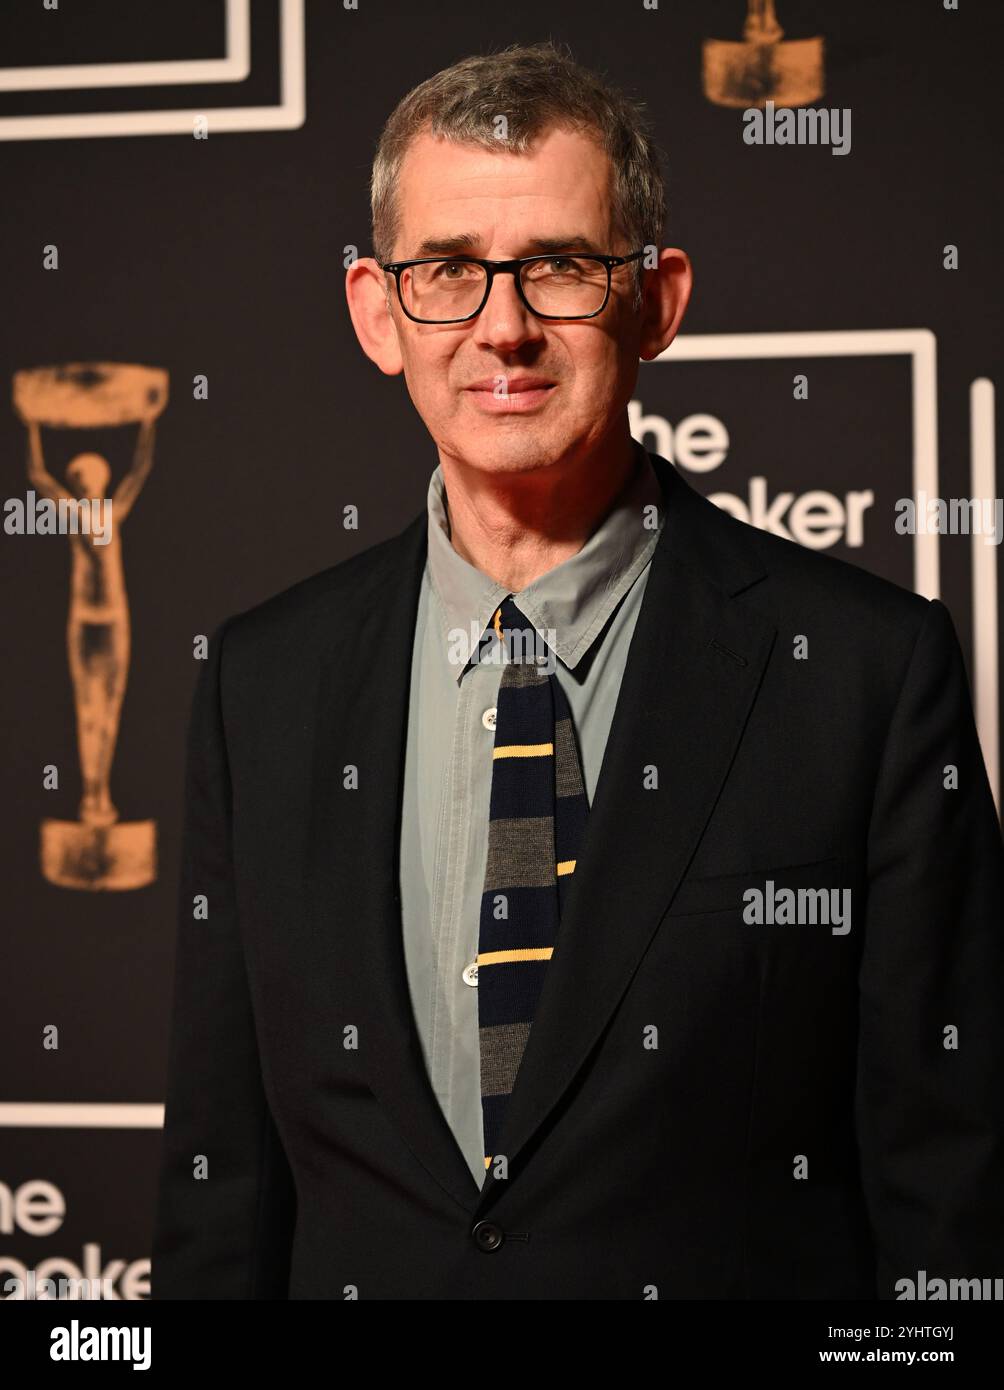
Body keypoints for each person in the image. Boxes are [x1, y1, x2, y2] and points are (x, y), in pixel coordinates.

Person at [152, 42, 1004, 1300]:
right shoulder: (260, 685)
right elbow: (221, 1197)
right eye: (446, 271)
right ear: (377, 315)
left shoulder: (864, 672)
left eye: (556, 267)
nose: (501, 326)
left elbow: (953, 1197)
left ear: (655, 301)